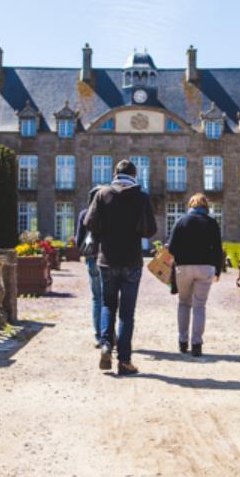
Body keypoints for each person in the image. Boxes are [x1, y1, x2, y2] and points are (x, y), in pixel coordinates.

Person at [82, 159, 157, 375]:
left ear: (115, 173)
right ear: (134, 175)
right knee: (127, 313)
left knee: (108, 305)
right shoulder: (141, 197)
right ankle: (124, 361)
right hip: (132, 261)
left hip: (107, 260)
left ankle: (106, 345)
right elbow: (149, 230)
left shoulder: (103, 194)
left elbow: (90, 223)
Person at [166, 193, 223, 356]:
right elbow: (218, 249)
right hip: (206, 268)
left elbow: (171, 249)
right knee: (199, 305)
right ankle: (196, 344)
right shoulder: (212, 223)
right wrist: (218, 271)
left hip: (183, 267)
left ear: (191, 206)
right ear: (205, 207)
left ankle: (183, 342)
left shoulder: (181, 221)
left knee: (184, 303)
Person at [75, 186, 103, 348]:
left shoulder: (84, 214)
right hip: (108, 259)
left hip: (92, 259)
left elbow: (79, 241)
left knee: (96, 298)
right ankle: (109, 333)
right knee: (110, 298)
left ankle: (99, 335)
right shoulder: (109, 213)